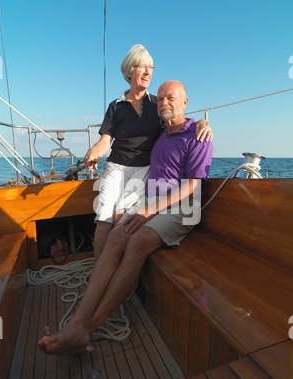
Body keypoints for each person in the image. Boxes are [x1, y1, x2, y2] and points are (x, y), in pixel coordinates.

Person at [38, 80, 213, 356]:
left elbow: (191, 186)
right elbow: (115, 140)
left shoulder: (198, 135)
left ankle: (87, 328)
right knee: (116, 235)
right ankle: (77, 322)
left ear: (185, 103)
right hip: (152, 201)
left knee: (137, 241)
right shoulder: (162, 131)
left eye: (171, 98)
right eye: (161, 99)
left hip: (183, 206)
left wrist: (147, 211)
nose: (165, 102)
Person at [84, 45, 213, 263]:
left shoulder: (157, 103)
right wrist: (93, 152)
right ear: (129, 71)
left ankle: (115, 266)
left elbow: (179, 119)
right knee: (104, 219)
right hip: (117, 166)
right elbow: (105, 141)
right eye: (141, 66)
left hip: (144, 169)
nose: (147, 72)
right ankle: (99, 269)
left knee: (120, 218)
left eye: (150, 67)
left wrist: (203, 122)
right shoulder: (115, 106)